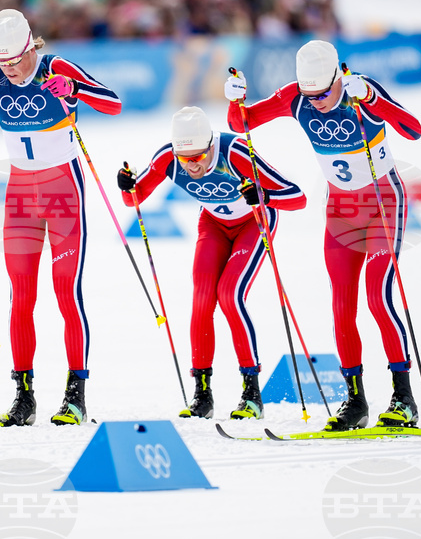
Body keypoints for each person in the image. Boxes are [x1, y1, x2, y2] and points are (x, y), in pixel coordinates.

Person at [0, 9, 122, 427]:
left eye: (15, 61)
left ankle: (75, 396)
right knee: (21, 295)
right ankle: (24, 395)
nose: (10, 71)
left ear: (31, 46)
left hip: (64, 190)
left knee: (66, 291)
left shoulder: (56, 67)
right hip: (20, 197)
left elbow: (114, 104)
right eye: (2, 63)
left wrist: (75, 89)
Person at [225, 40, 421, 431]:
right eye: (308, 94)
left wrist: (370, 99)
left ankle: (404, 398)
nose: (314, 101)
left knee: (378, 299)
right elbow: (241, 124)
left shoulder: (360, 89)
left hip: (383, 203)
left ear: (338, 77)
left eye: (323, 93)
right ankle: (356, 401)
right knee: (341, 306)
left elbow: (413, 130)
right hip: (340, 212)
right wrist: (236, 100)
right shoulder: (296, 95)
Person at [117, 107, 306, 420]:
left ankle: (251, 394)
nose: (192, 166)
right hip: (214, 224)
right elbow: (133, 199)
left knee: (230, 295)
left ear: (210, 147)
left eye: (199, 158)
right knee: (202, 299)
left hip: (253, 222)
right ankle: (202, 394)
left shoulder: (236, 153)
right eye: (184, 159)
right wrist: (126, 185)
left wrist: (263, 197)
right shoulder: (168, 157)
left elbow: (298, 198)